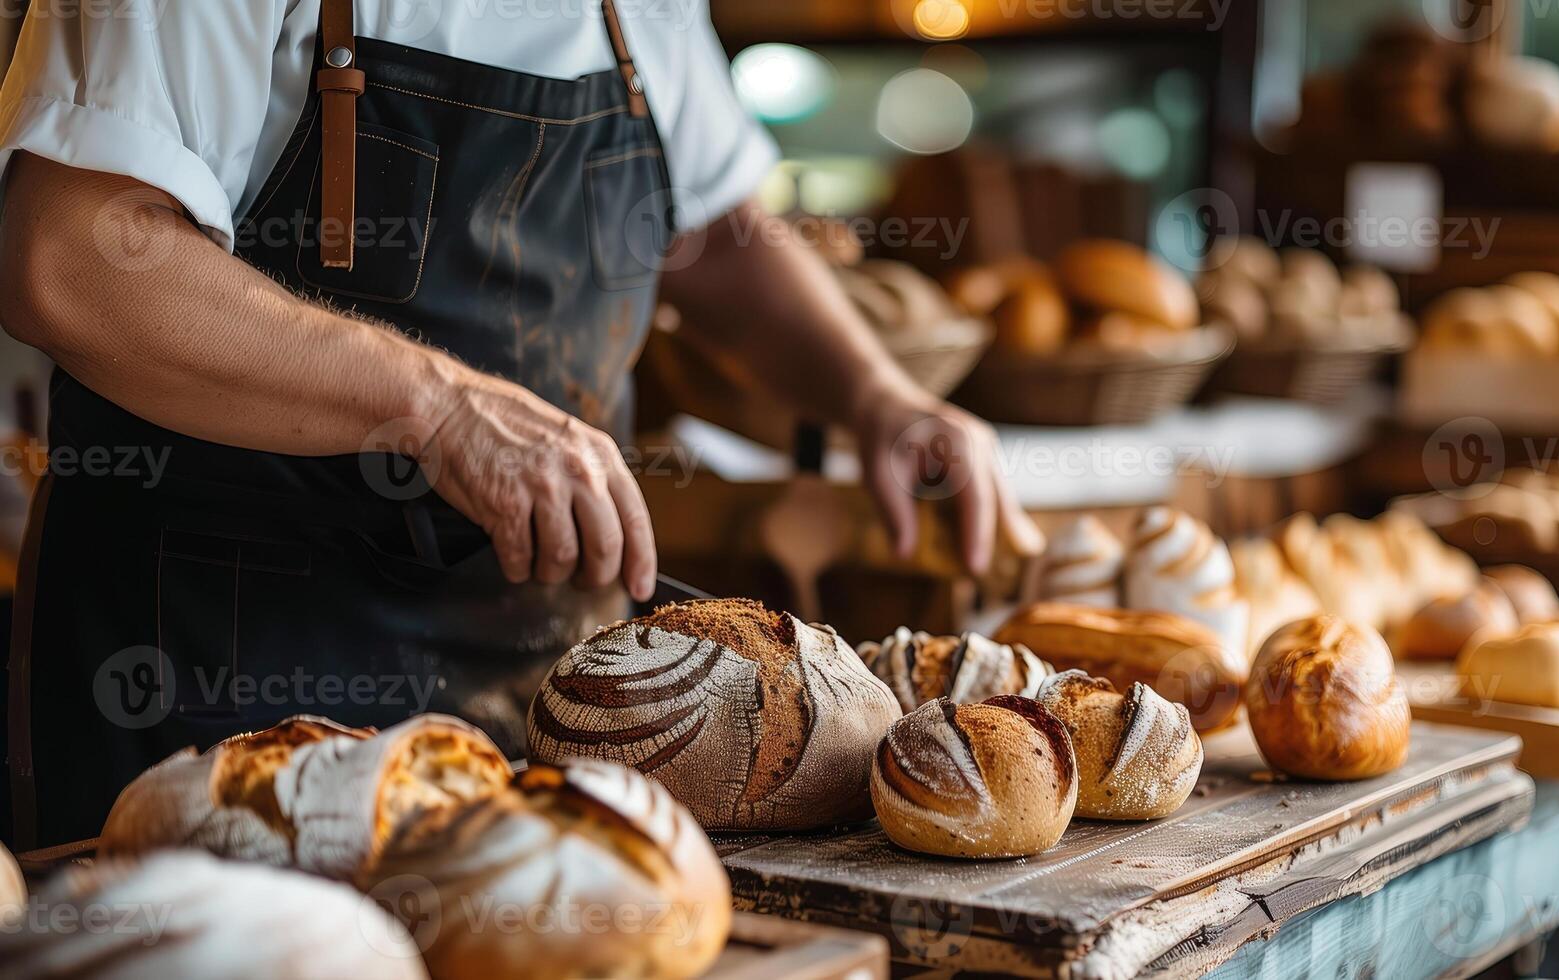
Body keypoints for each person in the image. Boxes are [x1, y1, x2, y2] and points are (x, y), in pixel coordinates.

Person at [0, 0, 1040, 845]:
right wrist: (438, 404)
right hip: (215, 696)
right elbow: (70, 253)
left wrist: (874, 395)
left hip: (542, 694)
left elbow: (713, 231)